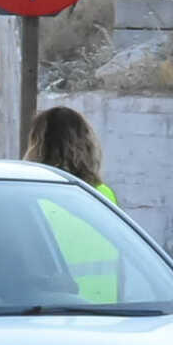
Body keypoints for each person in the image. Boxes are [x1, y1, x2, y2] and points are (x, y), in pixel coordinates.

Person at [23, 105, 120, 302]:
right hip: (107, 315)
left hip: (44, 313)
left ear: (36, 144)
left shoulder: (28, 198)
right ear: (87, 144)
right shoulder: (103, 194)